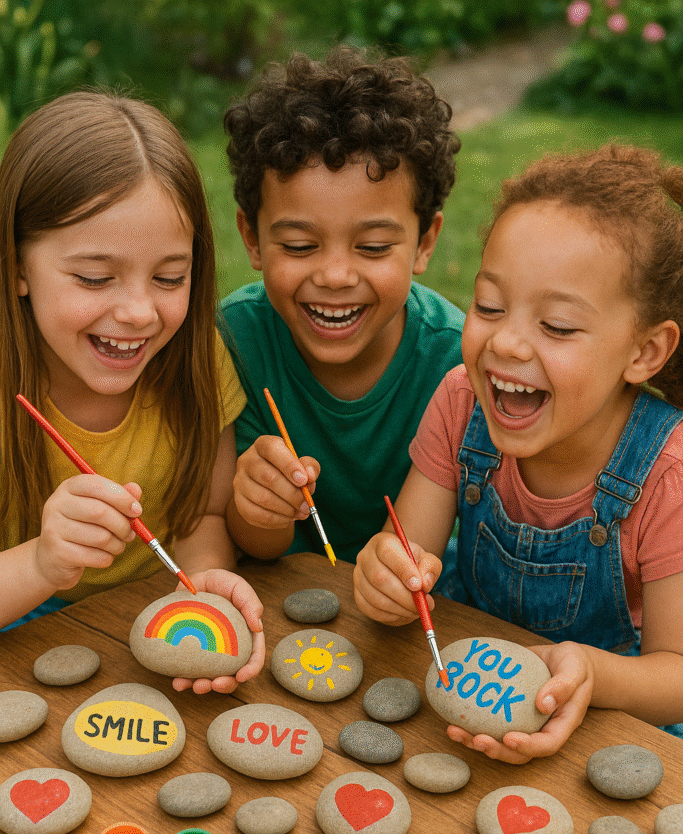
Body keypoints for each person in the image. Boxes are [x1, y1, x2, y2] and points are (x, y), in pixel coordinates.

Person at [354, 143, 683, 761]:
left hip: (613, 722)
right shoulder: (461, 402)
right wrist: (386, 577)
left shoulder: (668, 476)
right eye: (489, 306)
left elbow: (677, 677)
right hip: (464, 698)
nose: (505, 342)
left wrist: (590, 672)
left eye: (556, 326)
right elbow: (406, 551)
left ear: (644, 352)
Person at [0, 91, 264, 694]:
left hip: (159, 619)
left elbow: (203, 514)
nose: (140, 312)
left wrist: (203, 585)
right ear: (16, 265)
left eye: (170, 277)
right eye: (95, 278)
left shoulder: (196, 358)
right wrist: (42, 563)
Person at [219, 46, 465, 565]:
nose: (335, 276)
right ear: (253, 239)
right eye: (299, 246)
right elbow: (252, 542)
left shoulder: (457, 362)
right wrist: (258, 508)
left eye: (372, 247)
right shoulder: (235, 342)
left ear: (425, 243)